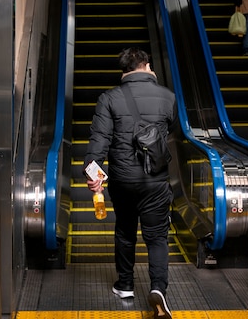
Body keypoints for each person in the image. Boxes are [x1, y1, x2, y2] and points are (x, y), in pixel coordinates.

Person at [84, 47, 177, 319]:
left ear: (123, 70)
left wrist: (94, 178)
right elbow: (169, 129)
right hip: (156, 181)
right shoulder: (167, 96)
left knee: (125, 231)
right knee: (157, 237)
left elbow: (98, 142)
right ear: (146, 65)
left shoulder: (109, 98)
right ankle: (158, 288)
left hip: (123, 181)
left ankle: (125, 285)